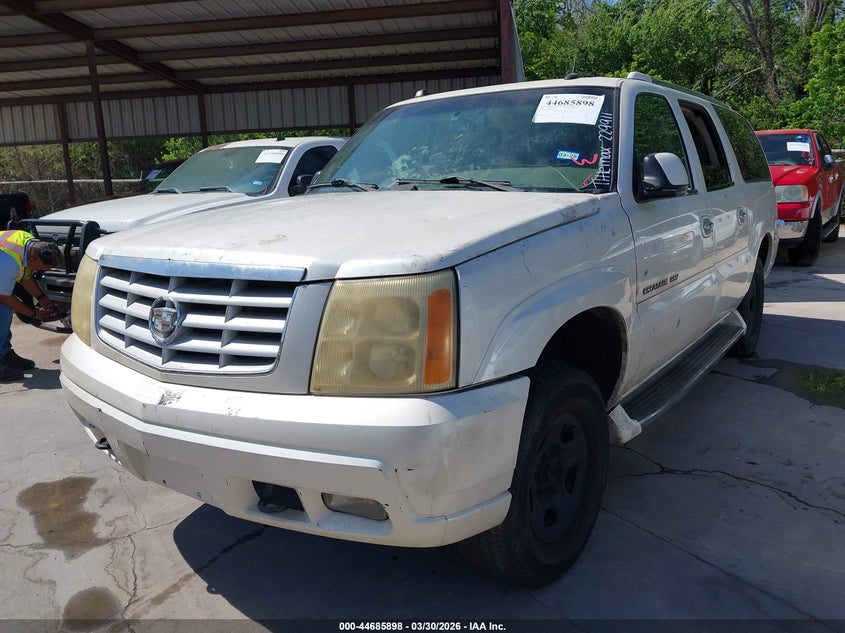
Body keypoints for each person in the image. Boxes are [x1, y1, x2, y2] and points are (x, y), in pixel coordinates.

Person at [0, 230, 64, 381]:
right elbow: (4, 297)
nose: (40, 271)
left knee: (4, 313)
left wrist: (42, 298)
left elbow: (26, 276)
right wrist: (33, 313)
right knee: (2, 312)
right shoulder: (8, 261)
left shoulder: (29, 246)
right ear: (32, 258)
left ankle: (5, 354)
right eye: (41, 268)